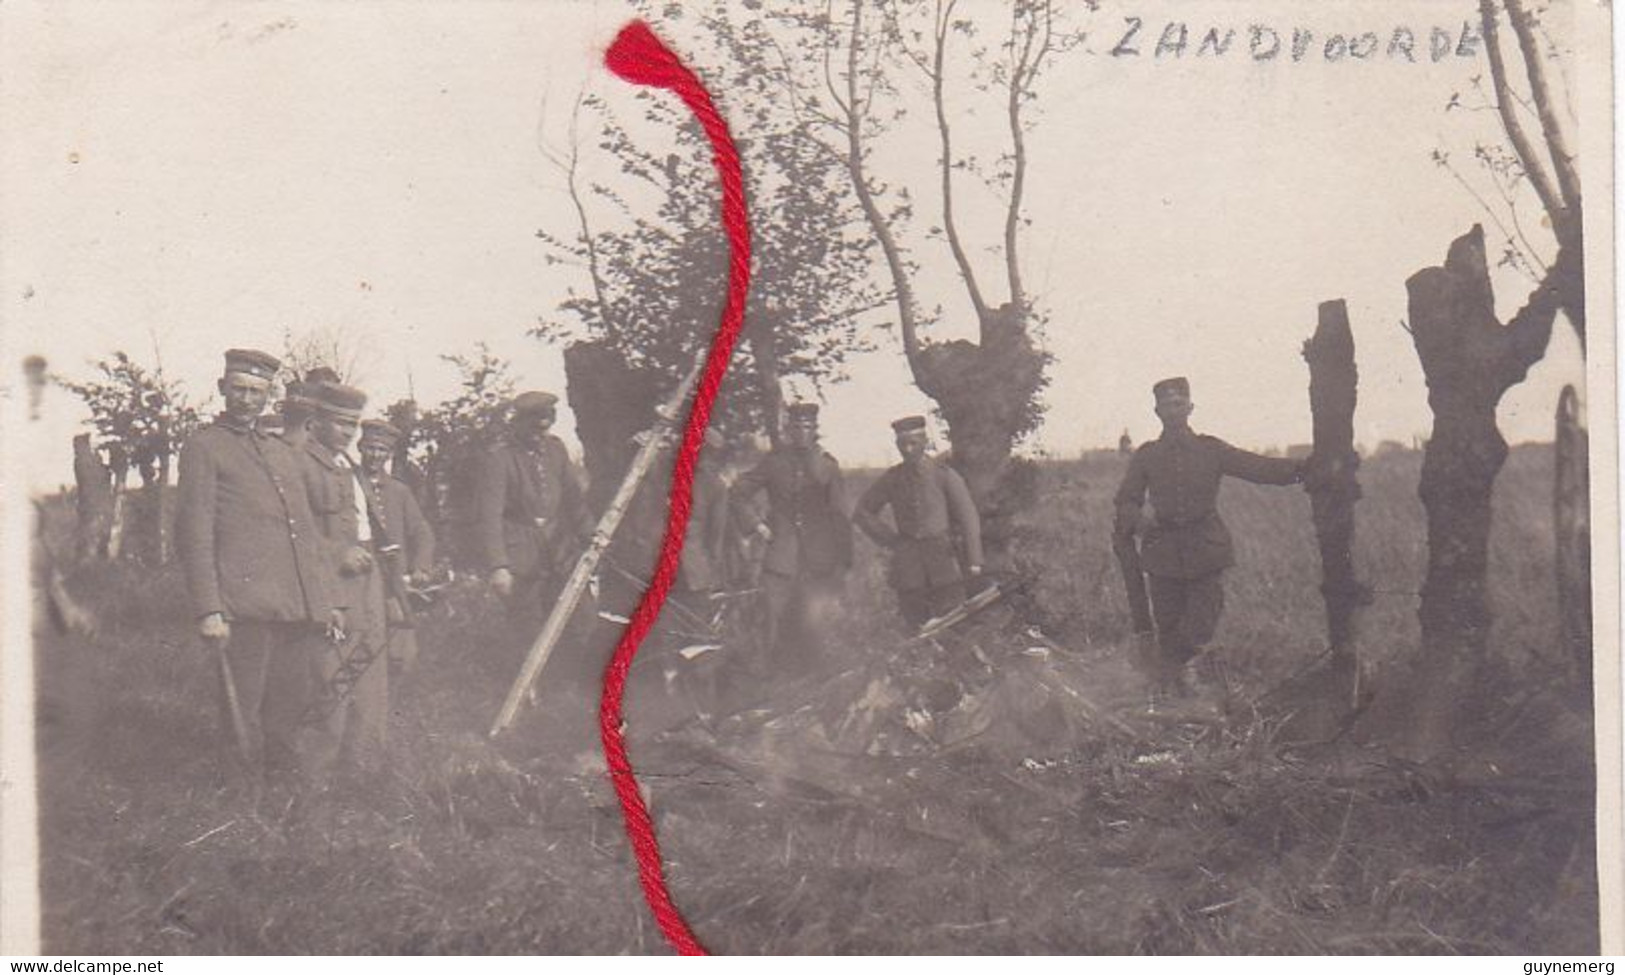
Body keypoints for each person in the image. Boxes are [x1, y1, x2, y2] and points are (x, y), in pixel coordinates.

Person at [174, 349, 341, 787]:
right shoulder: (204, 447)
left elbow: (304, 533)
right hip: (241, 606)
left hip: (294, 606)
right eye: (239, 389)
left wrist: (323, 601)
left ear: (269, 396)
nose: (247, 399)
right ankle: (240, 811)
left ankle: (285, 801)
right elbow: (194, 532)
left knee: (287, 710)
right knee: (240, 712)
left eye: (257, 391)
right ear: (222, 389)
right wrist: (209, 609)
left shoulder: (280, 451)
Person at [1112, 376, 1308, 697]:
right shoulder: (1146, 455)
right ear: (1157, 411)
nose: (1173, 411)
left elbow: (1258, 468)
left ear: (1190, 407)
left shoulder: (1211, 450)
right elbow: (1125, 499)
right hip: (1162, 554)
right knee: (1169, 627)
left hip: (1206, 550)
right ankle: (1175, 699)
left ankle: (1172, 679)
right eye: (1165, 405)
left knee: (1198, 625)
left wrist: (1309, 469)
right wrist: (1137, 515)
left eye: (1179, 404)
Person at [298, 381, 391, 772]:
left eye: (353, 425)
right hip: (329, 581)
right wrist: (338, 553)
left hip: (366, 576)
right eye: (339, 424)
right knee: (330, 672)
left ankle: (365, 763)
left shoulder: (348, 465)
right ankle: (316, 771)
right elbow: (297, 530)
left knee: (368, 664)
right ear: (316, 421)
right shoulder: (300, 462)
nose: (348, 434)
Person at [729, 403, 852, 674]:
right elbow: (737, 492)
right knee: (774, 619)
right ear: (788, 429)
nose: (801, 433)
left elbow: (840, 515)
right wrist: (757, 525)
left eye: (807, 427)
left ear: (815, 430)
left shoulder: (827, 466)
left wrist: (844, 560)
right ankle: (775, 683)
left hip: (819, 558)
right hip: (780, 557)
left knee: (815, 623)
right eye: (796, 427)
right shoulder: (774, 462)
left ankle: (815, 683)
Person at [854, 416, 983, 628]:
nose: (907, 449)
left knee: (953, 621)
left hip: (943, 561)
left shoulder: (944, 476)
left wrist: (974, 560)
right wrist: (892, 541)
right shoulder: (893, 478)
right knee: (914, 624)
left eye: (913, 443)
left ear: (925, 442)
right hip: (909, 566)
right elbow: (863, 512)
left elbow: (968, 517)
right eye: (902, 444)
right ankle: (920, 661)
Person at [357, 419, 437, 676]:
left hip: (395, 579)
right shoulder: (348, 483)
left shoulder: (399, 491)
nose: (375, 455)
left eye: (382, 450)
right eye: (370, 448)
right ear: (360, 447)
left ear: (389, 454)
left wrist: (421, 567)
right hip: (361, 578)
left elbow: (421, 531)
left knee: (402, 651)